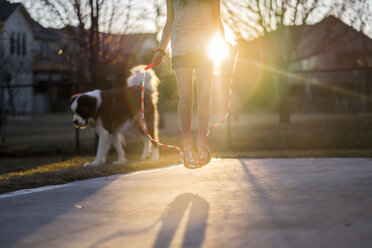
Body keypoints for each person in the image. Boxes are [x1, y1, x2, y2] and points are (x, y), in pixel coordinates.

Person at [150, 0, 224, 169]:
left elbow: (217, 19)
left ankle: (202, 143)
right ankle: (187, 146)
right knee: (186, 96)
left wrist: (223, 45)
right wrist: (161, 50)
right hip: (181, 46)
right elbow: (170, 22)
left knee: (205, 95)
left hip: (206, 48)